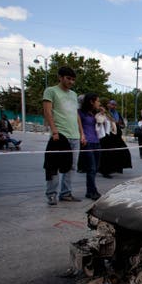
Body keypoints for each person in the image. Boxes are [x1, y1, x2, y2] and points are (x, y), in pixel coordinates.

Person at [42, 66, 85, 205]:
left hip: (75, 136)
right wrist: (54, 130)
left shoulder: (73, 94)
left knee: (71, 167)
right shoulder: (51, 91)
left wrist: (81, 133)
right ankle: (51, 194)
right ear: (60, 77)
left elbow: (76, 114)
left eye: (73, 79)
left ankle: (66, 193)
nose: (71, 82)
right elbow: (48, 112)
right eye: (68, 78)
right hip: (60, 135)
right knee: (54, 166)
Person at [78, 93, 102, 200]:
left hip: (96, 141)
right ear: (91, 101)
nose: (99, 103)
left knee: (95, 168)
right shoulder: (80, 113)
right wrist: (82, 136)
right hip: (87, 142)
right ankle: (92, 190)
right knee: (91, 168)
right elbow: (79, 127)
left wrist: (101, 114)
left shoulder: (93, 114)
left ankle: (90, 190)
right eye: (97, 101)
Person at [98, 100, 132, 176]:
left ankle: (116, 168)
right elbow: (101, 122)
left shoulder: (118, 114)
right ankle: (105, 171)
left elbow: (122, 125)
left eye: (115, 105)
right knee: (107, 154)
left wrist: (118, 124)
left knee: (123, 152)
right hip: (108, 136)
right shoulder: (105, 113)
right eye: (112, 104)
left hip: (117, 137)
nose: (113, 106)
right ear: (108, 105)